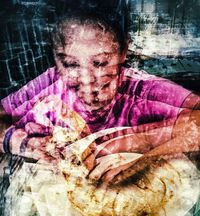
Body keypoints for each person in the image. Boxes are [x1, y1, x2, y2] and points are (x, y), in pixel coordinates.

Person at [0, 1, 199, 182]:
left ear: (123, 52)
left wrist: (143, 140)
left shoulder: (141, 88)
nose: (86, 80)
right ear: (55, 56)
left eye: (100, 63)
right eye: (70, 64)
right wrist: (23, 143)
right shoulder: (46, 87)